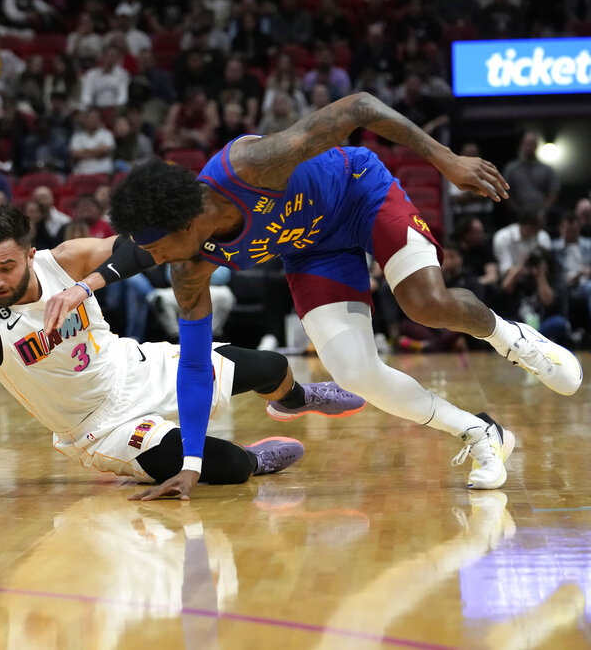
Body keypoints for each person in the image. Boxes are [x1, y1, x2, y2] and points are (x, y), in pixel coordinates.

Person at [54, 92, 582, 499]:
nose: (158, 259)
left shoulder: (253, 165)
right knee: (354, 372)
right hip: (310, 250)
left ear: (185, 220)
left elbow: (359, 107)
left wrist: (446, 159)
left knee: (425, 303)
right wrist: (191, 463)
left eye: (160, 247)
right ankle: (480, 432)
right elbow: (195, 366)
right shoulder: (190, 268)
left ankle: (516, 341)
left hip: (360, 194)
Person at [0, 205, 364, 491]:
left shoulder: (67, 259)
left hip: (134, 367)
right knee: (226, 468)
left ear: (31, 254)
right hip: (99, 428)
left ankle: (296, 400)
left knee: (269, 364)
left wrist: (93, 282)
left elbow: (142, 249)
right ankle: (254, 460)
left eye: (6, 266)